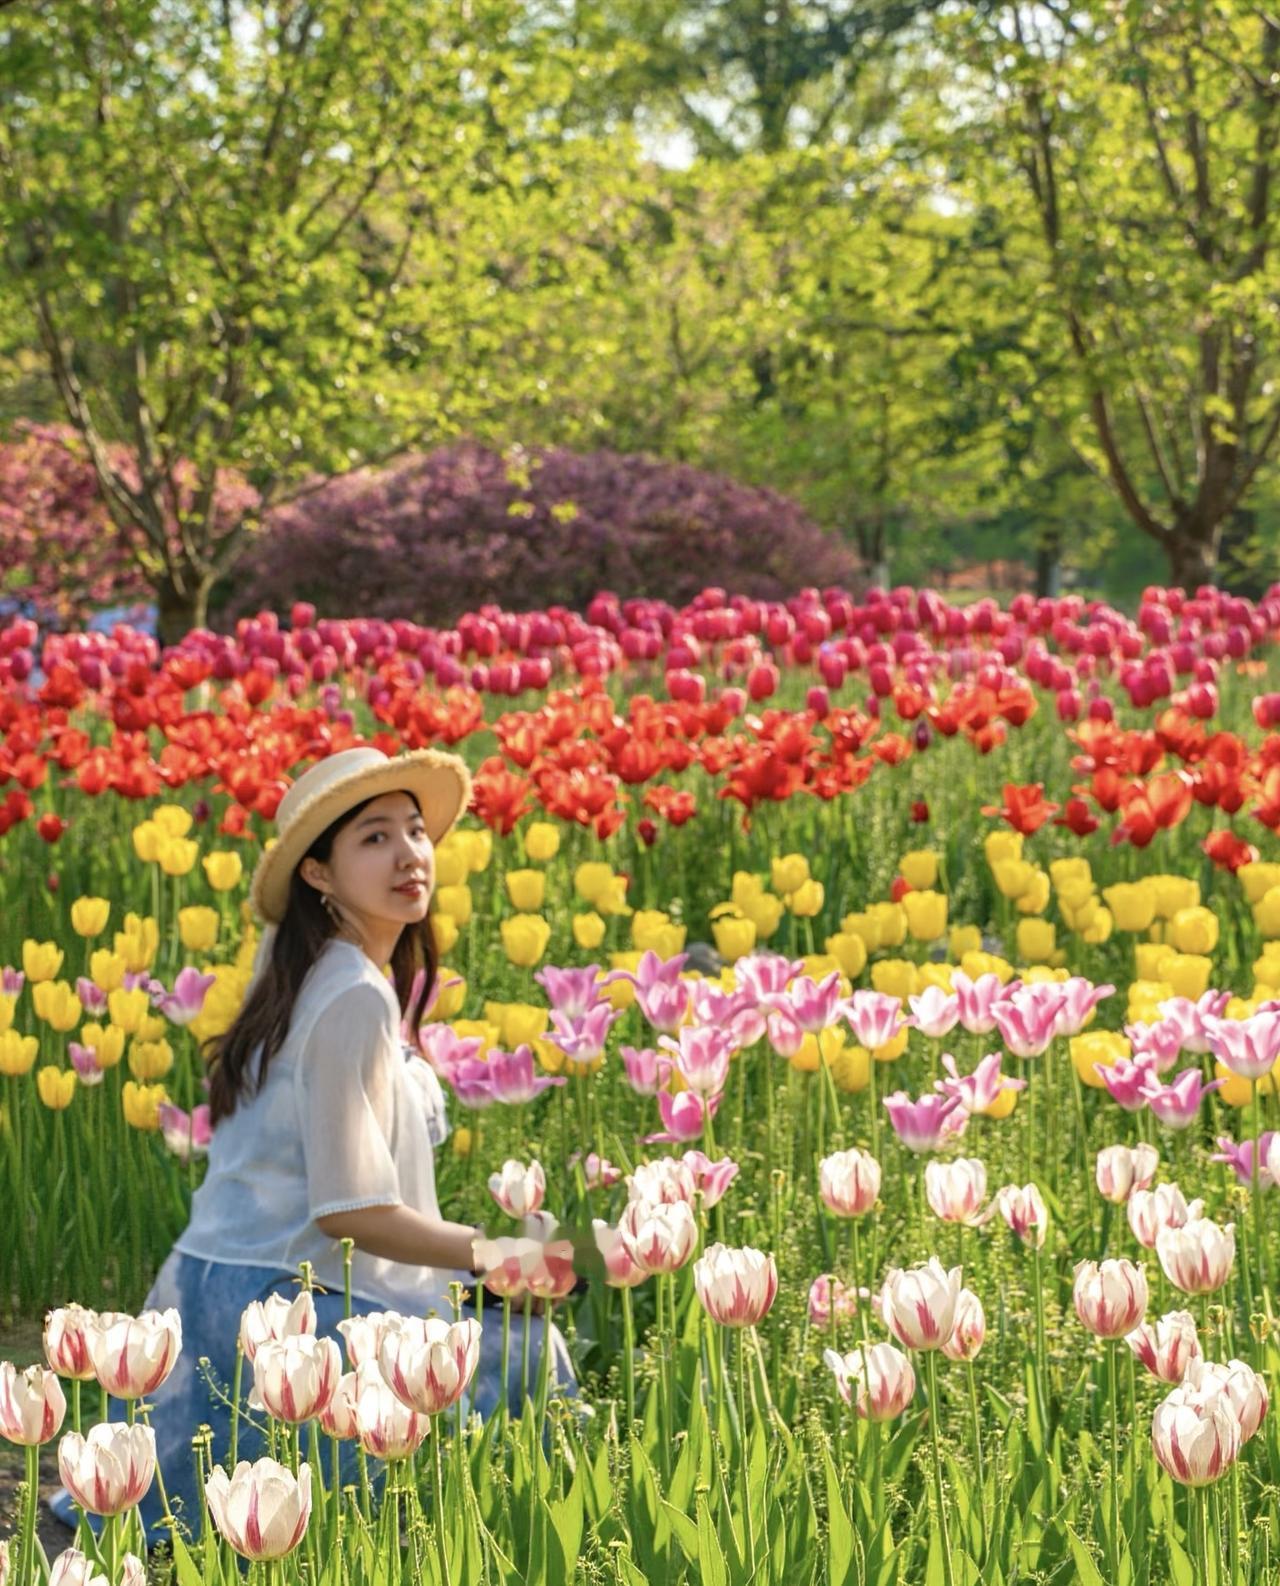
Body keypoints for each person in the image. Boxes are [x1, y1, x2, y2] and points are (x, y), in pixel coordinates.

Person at [49, 746, 575, 1547]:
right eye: (373, 838)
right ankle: (494, 1541)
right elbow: (351, 1213)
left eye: (414, 831)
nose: (408, 855)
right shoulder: (353, 996)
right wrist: (495, 1252)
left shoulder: (302, 967)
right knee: (531, 1352)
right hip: (284, 1315)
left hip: (200, 1297)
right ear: (319, 875)